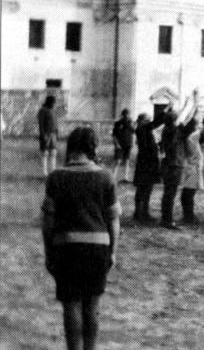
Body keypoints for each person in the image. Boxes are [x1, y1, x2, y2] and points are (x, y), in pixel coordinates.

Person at [41, 127, 121, 350]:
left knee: (71, 306)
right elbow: (114, 220)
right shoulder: (106, 177)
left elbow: (47, 221)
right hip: (98, 248)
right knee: (92, 306)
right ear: (92, 148)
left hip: (66, 248)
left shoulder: (56, 177)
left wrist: (49, 252)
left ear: (71, 147)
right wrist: (112, 252)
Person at [158, 98, 195, 230]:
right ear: (174, 120)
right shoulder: (173, 131)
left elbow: (184, 120)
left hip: (170, 164)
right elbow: (185, 121)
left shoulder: (168, 130)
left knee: (169, 192)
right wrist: (190, 105)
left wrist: (188, 106)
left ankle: (165, 218)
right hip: (174, 165)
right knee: (170, 193)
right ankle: (167, 220)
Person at [132, 112, 166, 223]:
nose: (149, 122)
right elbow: (155, 122)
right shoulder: (142, 129)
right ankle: (140, 214)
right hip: (146, 164)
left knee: (146, 189)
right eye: (147, 120)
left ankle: (142, 213)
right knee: (143, 190)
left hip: (147, 164)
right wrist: (166, 110)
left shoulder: (144, 129)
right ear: (141, 121)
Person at [180, 111, 204, 225]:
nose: (200, 126)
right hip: (192, 167)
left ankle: (188, 214)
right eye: (198, 125)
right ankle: (188, 216)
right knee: (189, 193)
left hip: (189, 166)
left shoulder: (188, 136)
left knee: (188, 192)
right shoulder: (192, 138)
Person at [111, 109, 135, 184]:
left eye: (128, 114)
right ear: (122, 115)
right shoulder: (118, 123)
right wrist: (116, 144)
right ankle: (113, 178)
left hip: (128, 144)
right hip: (120, 145)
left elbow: (133, 132)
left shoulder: (130, 123)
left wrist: (132, 143)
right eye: (125, 114)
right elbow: (114, 135)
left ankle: (126, 178)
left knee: (127, 161)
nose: (126, 116)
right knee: (117, 161)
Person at [38, 95, 59, 177]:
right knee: (45, 153)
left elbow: (56, 123)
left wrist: (57, 133)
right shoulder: (42, 110)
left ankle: (53, 171)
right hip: (46, 134)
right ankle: (44, 173)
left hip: (53, 134)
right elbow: (41, 124)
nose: (55, 104)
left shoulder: (53, 110)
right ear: (49, 102)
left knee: (53, 152)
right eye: (54, 103)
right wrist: (43, 135)